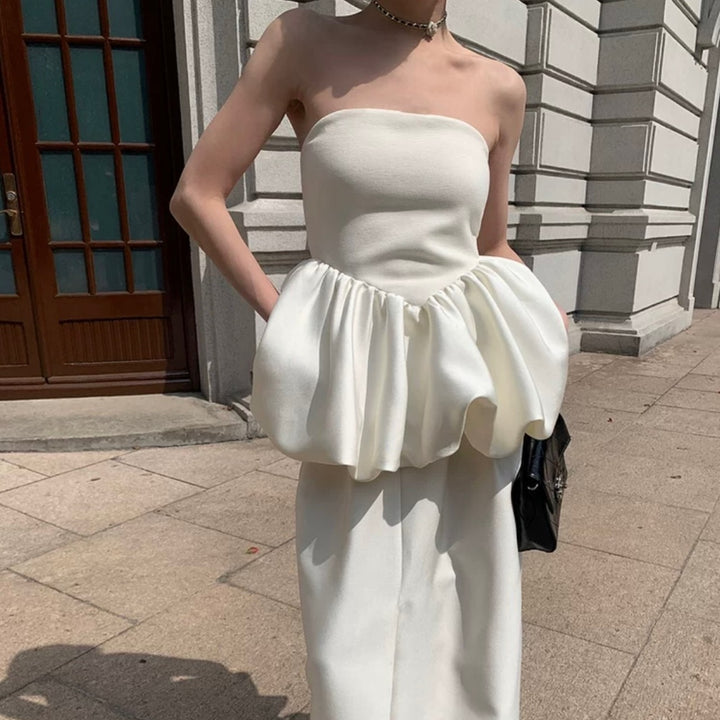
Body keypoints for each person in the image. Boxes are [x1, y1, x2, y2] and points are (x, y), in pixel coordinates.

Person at [169, 2, 570, 718]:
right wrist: (288, 316)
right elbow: (197, 195)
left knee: (466, 599)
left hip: (463, 378)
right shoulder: (302, 39)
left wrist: (544, 321)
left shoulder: (498, 86)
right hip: (355, 384)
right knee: (349, 605)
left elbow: (489, 244)